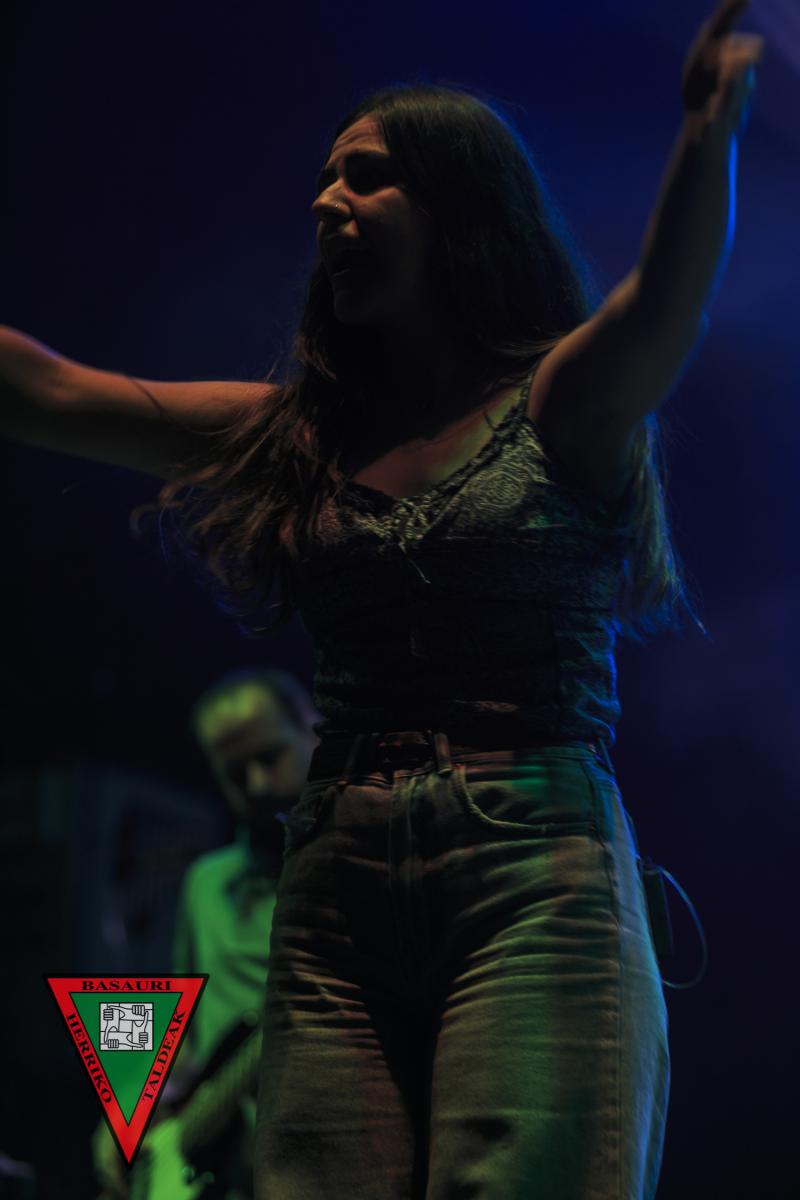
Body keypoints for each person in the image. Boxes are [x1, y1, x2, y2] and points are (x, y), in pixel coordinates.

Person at [2, 3, 763, 1196]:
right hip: (335, 891)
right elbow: (49, 393)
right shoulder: (298, 439)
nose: (325, 203)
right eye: (323, 180)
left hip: (531, 871)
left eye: (364, 178)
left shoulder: (554, 404)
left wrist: (705, 138)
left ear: (458, 209)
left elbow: (658, 309)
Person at [92, 669, 318, 1200]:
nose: (258, 785)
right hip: (227, 1168)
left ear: (313, 730)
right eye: (235, 773)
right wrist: (128, 1110)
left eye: (271, 757)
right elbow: (184, 1038)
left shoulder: (359, 867)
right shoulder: (205, 883)